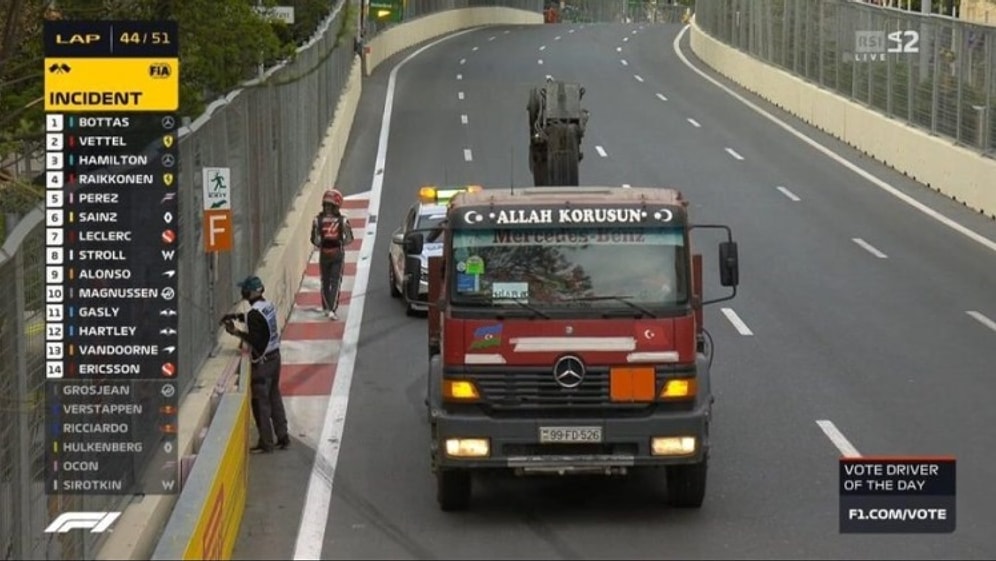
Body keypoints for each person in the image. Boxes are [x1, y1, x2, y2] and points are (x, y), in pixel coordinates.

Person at [223, 275, 290, 453]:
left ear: (250, 292)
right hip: (276, 358)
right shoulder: (267, 306)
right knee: (275, 397)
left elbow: (256, 340)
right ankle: (283, 436)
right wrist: (236, 316)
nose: (242, 293)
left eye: (244, 290)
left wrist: (235, 331)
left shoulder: (254, 314)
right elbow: (255, 319)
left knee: (261, 404)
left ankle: (266, 443)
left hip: (263, 364)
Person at [310, 188, 354, 320]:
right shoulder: (343, 220)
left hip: (324, 253)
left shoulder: (317, 220)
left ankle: (326, 307)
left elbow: (314, 239)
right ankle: (332, 308)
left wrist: (323, 244)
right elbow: (349, 238)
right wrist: (340, 243)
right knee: (335, 281)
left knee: (325, 280)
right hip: (337, 253)